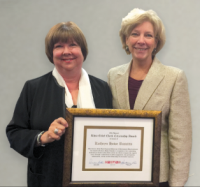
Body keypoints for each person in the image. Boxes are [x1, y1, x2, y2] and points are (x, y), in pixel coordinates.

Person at [6, 21, 112, 186]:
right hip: (48, 178)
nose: (66, 51)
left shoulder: (102, 88)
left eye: (72, 45)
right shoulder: (33, 88)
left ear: (83, 50)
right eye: (58, 46)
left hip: (94, 180)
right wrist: (43, 137)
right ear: (51, 53)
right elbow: (14, 133)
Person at [107, 8, 192, 187]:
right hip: (120, 173)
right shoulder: (113, 75)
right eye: (135, 34)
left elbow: (180, 137)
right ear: (126, 40)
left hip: (158, 177)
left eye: (148, 35)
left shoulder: (174, 77)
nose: (141, 41)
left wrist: (177, 183)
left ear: (156, 42)